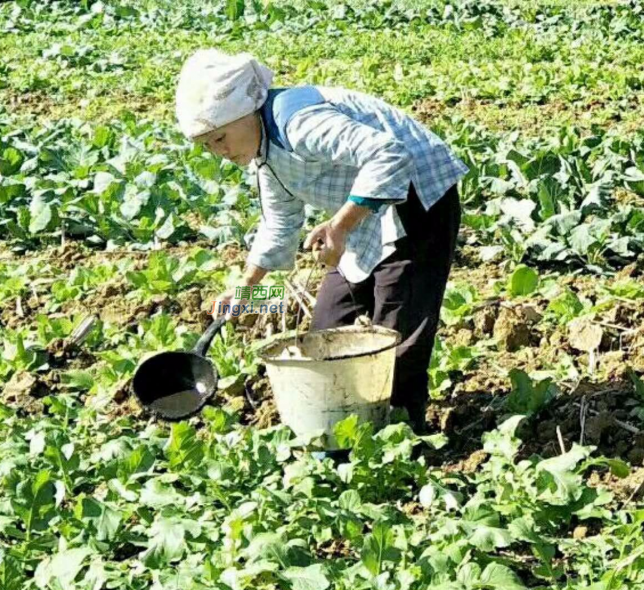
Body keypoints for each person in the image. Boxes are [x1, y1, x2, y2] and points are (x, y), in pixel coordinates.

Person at [174, 49, 468, 432]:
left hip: (415, 197)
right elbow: (279, 224)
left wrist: (341, 226)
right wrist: (245, 290)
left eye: (220, 138)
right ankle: (337, 425)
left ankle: (399, 432)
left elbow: (388, 154)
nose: (221, 152)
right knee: (327, 328)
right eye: (209, 145)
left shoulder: (297, 123)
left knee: (396, 326)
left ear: (245, 113)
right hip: (360, 211)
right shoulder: (264, 152)